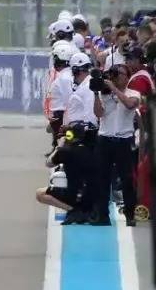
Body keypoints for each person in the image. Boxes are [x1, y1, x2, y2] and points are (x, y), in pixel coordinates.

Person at [61, 52, 107, 224]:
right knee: (83, 176)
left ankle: (80, 210)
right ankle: (83, 209)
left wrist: (72, 136)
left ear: (76, 70)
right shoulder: (86, 86)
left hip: (82, 137)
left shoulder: (86, 88)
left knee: (77, 176)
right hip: (82, 135)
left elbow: (87, 119)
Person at [100, 55, 145, 223]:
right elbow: (98, 113)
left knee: (127, 179)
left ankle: (130, 214)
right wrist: (96, 94)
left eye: (119, 74)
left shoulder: (133, 93)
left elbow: (130, 104)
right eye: (114, 74)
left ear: (127, 77)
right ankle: (102, 214)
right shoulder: (105, 94)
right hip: (105, 139)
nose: (116, 77)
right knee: (103, 178)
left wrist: (114, 89)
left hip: (124, 141)